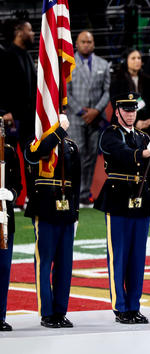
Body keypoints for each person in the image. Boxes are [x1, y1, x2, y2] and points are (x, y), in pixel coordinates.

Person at [95, 93, 150, 324]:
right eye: (126, 110)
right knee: (119, 256)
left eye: (134, 110)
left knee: (137, 259)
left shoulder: (144, 137)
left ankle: (134, 305)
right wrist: (145, 153)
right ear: (117, 111)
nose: (131, 114)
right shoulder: (110, 134)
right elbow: (122, 154)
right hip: (118, 200)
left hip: (140, 203)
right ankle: (120, 307)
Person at [24, 116, 80, 328]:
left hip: (66, 209)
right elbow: (35, 154)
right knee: (45, 261)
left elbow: (77, 181)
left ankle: (60, 311)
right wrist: (59, 132)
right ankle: (47, 312)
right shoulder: (35, 142)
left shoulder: (71, 147)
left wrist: (76, 214)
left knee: (65, 264)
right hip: (45, 206)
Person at [66, 31, 111, 207]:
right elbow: (66, 92)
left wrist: (96, 110)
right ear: (77, 44)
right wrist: (80, 112)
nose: (86, 44)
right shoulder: (68, 64)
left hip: (96, 118)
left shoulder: (103, 64)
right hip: (75, 118)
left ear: (93, 44)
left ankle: (85, 194)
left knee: (91, 156)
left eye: (89, 41)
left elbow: (106, 91)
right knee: (76, 154)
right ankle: (73, 192)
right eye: (83, 41)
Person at [0, 19, 36, 150]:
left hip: (28, 119)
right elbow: (3, 86)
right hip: (13, 119)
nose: (33, 33)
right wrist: (5, 112)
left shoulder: (27, 55)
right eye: (29, 30)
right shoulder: (7, 56)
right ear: (19, 32)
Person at [110, 48, 150, 139]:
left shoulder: (147, 79)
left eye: (139, 58)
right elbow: (116, 106)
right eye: (133, 58)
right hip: (124, 123)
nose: (137, 61)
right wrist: (135, 122)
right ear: (125, 61)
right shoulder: (117, 80)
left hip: (148, 122)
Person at [0, 130, 22, 331]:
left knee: (3, 268)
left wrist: (11, 194)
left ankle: (0, 315)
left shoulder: (8, 152)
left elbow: (18, 184)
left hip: (4, 219)